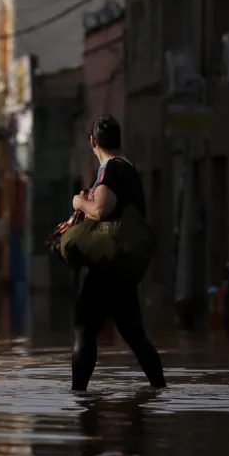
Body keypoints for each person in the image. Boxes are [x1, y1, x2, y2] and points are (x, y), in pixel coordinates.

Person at [70, 115, 167, 391]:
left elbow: (100, 210)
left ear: (92, 142)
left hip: (107, 266)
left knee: (84, 327)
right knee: (134, 334)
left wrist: (79, 202)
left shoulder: (110, 169)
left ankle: (80, 398)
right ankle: (160, 391)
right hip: (123, 267)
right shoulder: (128, 168)